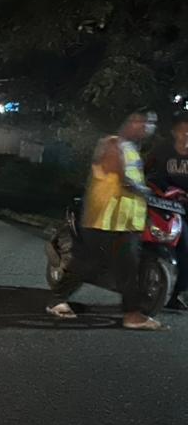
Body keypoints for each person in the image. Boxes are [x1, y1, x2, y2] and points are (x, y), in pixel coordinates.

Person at [49, 111, 161, 329]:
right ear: (129, 122)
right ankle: (56, 300)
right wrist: (145, 191)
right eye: (142, 121)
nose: (147, 127)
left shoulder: (131, 148)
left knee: (127, 269)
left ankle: (132, 315)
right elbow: (122, 176)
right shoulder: (112, 144)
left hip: (125, 221)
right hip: (105, 220)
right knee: (89, 265)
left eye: (151, 123)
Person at [145, 113, 188, 311]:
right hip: (161, 204)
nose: (186, 135)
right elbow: (145, 170)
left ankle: (176, 292)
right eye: (183, 131)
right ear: (174, 132)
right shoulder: (162, 149)